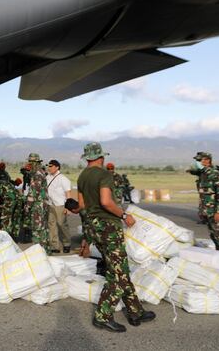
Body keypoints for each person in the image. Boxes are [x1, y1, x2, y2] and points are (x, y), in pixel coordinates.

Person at [77, 142, 154, 333]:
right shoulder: (104, 175)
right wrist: (124, 215)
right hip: (108, 227)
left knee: (119, 268)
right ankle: (102, 316)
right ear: (101, 157)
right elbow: (106, 201)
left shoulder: (82, 176)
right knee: (118, 273)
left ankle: (135, 311)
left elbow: (81, 205)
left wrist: (88, 235)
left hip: (94, 225)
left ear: (87, 157)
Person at [23, 153, 49, 251]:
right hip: (42, 205)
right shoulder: (40, 172)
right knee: (43, 228)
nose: (29, 164)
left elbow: (33, 192)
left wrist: (27, 207)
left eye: (31, 162)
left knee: (38, 230)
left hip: (38, 205)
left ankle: (39, 251)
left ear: (35, 162)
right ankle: (45, 250)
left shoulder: (37, 175)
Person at [46, 159, 72, 254]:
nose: (49, 168)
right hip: (50, 204)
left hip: (60, 205)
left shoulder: (63, 179)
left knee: (62, 224)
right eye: (48, 166)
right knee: (51, 225)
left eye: (51, 166)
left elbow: (68, 193)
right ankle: (55, 246)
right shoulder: (47, 177)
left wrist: (68, 208)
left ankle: (66, 244)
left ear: (57, 167)